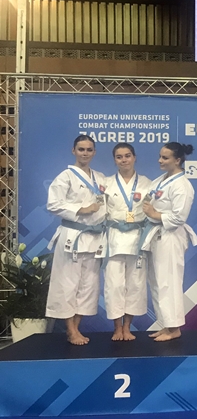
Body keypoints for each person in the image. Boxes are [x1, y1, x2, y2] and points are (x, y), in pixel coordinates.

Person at [45, 135, 107, 345]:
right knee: (67, 283)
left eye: (89, 150)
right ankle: (70, 330)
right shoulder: (65, 177)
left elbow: (107, 203)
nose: (85, 153)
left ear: (94, 152)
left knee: (88, 285)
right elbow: (53, 204)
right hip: (72, 237)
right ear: (74, 151)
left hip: (94, 238)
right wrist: (81, 209)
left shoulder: (100, 178)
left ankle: (76, 327)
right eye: (81, 149)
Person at [141, 142, 197, 342]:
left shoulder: (182, 185)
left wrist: (154, 213)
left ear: (178, 160)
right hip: (156, 234)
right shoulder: (161, 180)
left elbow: (178, 217)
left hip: (171, 236)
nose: (160, 160)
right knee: (157, 281)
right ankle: (166, 324)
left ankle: (174, 328)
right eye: (160, 156)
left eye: (165, 158)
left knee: (169, 281)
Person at [103, 143, 151, 341]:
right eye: (119, 157)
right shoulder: (106, 183)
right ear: (114, 160)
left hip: (137, 238)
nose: (124, 160)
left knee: (135, 284)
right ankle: (117, 328)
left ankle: (127, 327)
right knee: (114, 284)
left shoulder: (147, 183)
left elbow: (152, 210)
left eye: (127, 155)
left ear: (134, 157)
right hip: (114, 237)